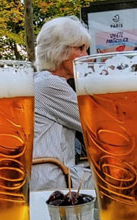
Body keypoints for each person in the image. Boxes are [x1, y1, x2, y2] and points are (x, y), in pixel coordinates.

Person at [32, 16, 94, 191]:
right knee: (123, 178)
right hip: (52, 177)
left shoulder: (40, 80)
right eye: (80, 48)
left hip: (51, 172)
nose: (87, 57)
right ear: (59, 51)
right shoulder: (50, 84)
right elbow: (96, 125)